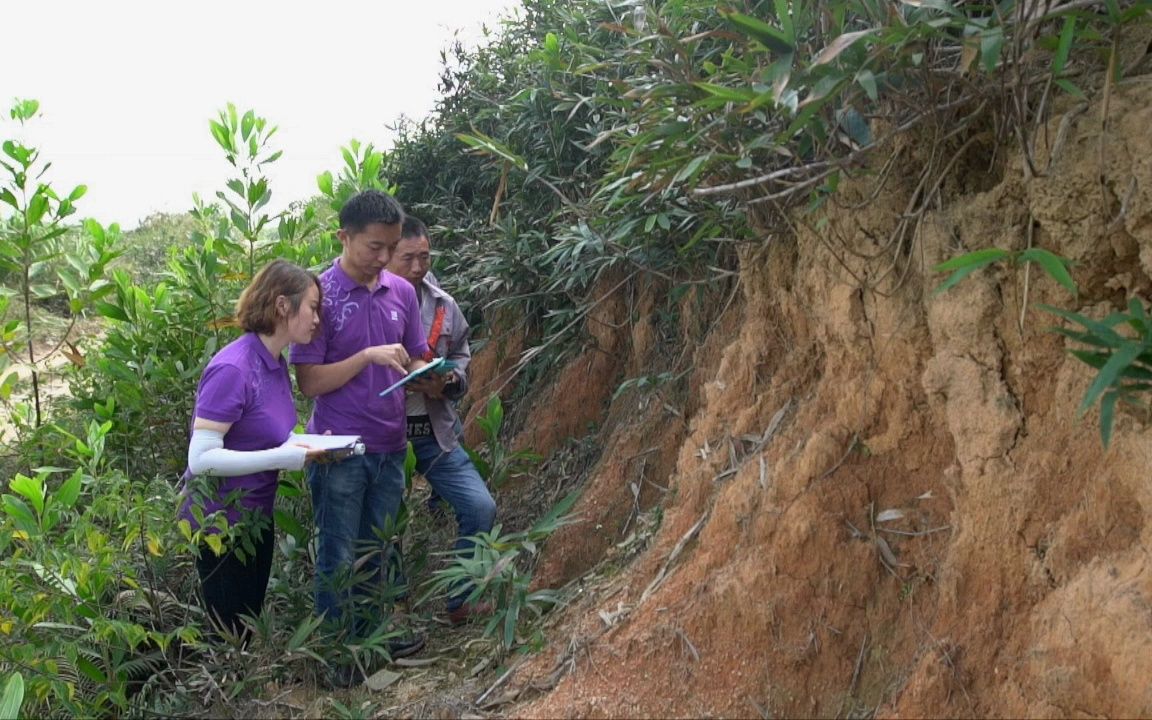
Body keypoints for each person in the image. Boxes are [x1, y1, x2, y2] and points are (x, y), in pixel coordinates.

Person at [289, 189, 428, 679]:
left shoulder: (403, 292)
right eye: (374, 247)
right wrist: (367, 357)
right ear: (343, 237)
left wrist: (429, 370)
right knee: (338, 552)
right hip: (338, 449)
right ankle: (336, 657)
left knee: (381, 547)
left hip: (390, 444)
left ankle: (375, 641)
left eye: (391, 247)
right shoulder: (319, 297)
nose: (386, 258)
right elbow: (310, 382)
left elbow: (413, 354)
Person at [180, 259, 323, 641]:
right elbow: (202, 458)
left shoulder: (275, 364)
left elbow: (265, 433)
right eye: (312, 307)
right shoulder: (234, 368)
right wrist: (282, 458)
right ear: (282, 306)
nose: (316, 319)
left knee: (247, 621)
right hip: (219, 523)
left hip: (255, 516)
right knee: (228, 632)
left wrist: (312, 445)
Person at [387, 216, 497, 624]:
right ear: (387, 254)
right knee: (386, 524)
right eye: (408, 258)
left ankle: (462, 598)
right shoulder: (373, 302)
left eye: (425, 257)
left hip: (435, 431)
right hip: (387, 433)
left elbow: (463, 354)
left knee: (480, 507)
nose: (418, 267)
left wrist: (449, 380)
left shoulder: (443, 304)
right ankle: (395, 608)